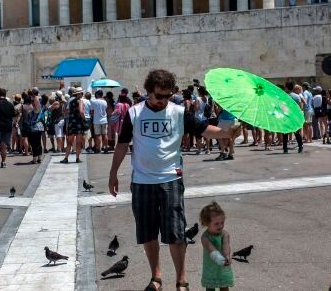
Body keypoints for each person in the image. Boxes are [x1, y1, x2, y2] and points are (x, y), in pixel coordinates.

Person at [108, 69, 236, 291]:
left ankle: (181, 280)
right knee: (148, 231)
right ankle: (156, 276)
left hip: (171, 178)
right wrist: (112, 174)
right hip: (142, 180)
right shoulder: (134, 113)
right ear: (149, 92)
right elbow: (122, 144)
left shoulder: (178, 112)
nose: (163, 101)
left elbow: (205, 129)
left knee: (176, 232)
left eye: (167, 96)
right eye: (159, 96)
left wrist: (229, 132)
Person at [200, 201, 234, 291]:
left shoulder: (224, 234)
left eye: (222, 222)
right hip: (210, 266)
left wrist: (227, 256)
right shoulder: (205, 237)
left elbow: (226, 245)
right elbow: (211, 249)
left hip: (223, 267)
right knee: (210, 287)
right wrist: (220, 259)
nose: (220, 226)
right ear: (207, 223)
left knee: (224, 286)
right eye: (216, 223)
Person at [61, 87, 86, 163]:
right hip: (78, 123)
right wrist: (84, 119)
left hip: (71, 123)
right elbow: (81, 112)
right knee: (78, 142)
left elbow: (66, 111)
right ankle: (77, 158)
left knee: (69, 142)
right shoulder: (80, 101)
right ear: (81, 94)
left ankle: (66, 158)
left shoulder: (71, 101)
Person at [283, 84, 304, 154]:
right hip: (295, 116)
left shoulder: (285, 96)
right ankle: (300, 147)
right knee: (297, 132)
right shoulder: (297, 96)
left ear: (287, 88)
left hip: (287, 116)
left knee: (285, 133)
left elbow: (283, 106)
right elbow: (301, 107)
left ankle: (285, 149)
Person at [26, 88, 44, 163]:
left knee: (34, 143)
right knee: (38, 143)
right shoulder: (39, 103)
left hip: (34, 127)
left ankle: (35, 159)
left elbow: (38, 107)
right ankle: (39, 158)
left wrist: (34, 99)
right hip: (39, 126)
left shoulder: (36, 109)